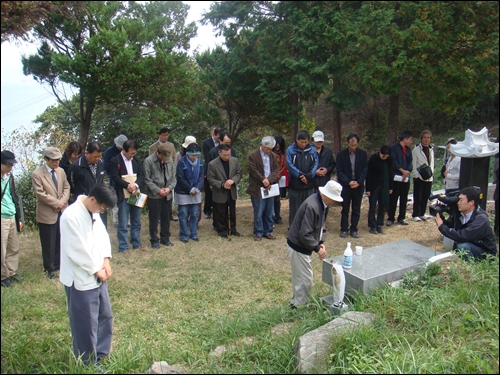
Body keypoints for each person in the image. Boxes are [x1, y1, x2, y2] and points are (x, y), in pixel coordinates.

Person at [59, 184, 117, 368]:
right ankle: (87, 362)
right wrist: (95, 269)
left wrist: (106, 260)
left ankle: (101, 353)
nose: (102, 211)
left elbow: (102, 236)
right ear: (93, 200)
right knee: (85, 322)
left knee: (104, 315)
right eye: (102, 208)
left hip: (98, 272)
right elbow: (76, 249)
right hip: (81, 276)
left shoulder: (94, 211)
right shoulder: (70, 216)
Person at [287, 180, 343, 308]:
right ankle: (299, 307)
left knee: (301, 277)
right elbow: (304, 234)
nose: (334, 202)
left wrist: (321, 242)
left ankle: (296, 303)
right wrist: (317, 248)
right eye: (333, 198)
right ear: (326, 195)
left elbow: (320, 225)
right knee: (305, 279)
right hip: (298, 246)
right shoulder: (313, 206)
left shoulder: (321, 203)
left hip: (301, 245)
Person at [32, 147, 70, 279]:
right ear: (46, 160)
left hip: (61, 211)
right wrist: (56, 203)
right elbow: (40, 193)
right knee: (48, 241)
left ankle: (59, 263)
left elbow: (66, 187)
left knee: (61, 238)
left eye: (58, 160)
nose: (57, 162)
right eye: (54, 160)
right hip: (47, 212)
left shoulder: (61, 171)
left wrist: (62, 202)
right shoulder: (37, 174)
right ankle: (49, 268)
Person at [435, 186, 497, 260]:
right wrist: (440, 217)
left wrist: (442, 227)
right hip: (471, 245)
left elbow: (463, 236)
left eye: (461, 200)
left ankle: (471, 268)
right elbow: (450, 226)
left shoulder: (481, 219)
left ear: (471, 203)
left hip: (486, 253)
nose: (458, 203)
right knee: (462, 246)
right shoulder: (461, 215)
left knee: (463, 247)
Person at [109, 140, 145, 253]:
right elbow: (115, 177)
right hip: (122, 194)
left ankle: (136, 243)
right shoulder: (115, 160)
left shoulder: (136, 160)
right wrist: (127, 185)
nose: (132, 156)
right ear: (123, 150)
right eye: (130, 153)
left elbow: (142, 175)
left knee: (136, 220)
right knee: (123, 222)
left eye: (134, 153)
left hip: (136, 193)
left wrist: (136, 185)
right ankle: (123, 246)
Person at [143, 143, 176, 248]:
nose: (165, 159)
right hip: (154, 195)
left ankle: (165, 238)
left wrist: (169, 188)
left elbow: (174, 178)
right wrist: (158, 190)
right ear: (157, 152)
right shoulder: (148, 161)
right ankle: (154, 239)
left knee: (166, 217)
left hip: (167, 194)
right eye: (163, 157)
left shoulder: (169, 160)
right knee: (154, 218)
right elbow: (147, 180)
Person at [207, 144, 242, 240]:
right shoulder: (212, 164)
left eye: (228, 154)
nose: (227, 157)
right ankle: (222, 230)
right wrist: (222, 184)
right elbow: (210, 178)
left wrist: (233, 180)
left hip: (231, 190)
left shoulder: (234, 161)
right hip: (219, 191)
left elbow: (239, 173)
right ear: (219, 153)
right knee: (220, 212)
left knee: (232, 211)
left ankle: (233, 229)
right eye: (225, 155)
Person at [247, 136, 279, 241]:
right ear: (262, 146)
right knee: (259, 210)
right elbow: (253, 170)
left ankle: (268, 231)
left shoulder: (273, 156)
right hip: (257, 187)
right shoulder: (253, 155)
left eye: (271, 149)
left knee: (269, 210)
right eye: (267, 149)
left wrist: (269, 180)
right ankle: (258, 232)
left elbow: (275, 170)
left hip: (270, 187)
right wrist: (263, 180)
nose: (269, 151)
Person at [336, 134, 368, 238]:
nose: (353, 147)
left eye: (355, 145)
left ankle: (354, 229)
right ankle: (344, 229)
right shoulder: (341, 155)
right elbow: (339, 171)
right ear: (348, 143)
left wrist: (358, 182)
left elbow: (365, 170)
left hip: (358, 186)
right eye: (351, 145)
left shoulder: (363, 154)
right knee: (345, 209)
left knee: (356, 209)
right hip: (346, 186)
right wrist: (348, 182)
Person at [68, 141, 107, 227]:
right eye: (94, 156)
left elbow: (101, 180)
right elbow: (71, 183)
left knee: (100, 228)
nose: (97, 159)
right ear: (87, 153)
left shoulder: (100, 163)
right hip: (84, 202)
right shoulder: (77, 166)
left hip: (99, 201)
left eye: (99, 156)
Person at [286, 130, 319, 226]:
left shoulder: (312, 150)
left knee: (309, 207)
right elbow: (289, 165)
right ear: (297, 140)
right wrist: (300, 175)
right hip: (295, 184)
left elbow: (315, 163)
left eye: (306, 142)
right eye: (301, 142)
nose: (304, 144)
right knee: (295, 208)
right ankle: (293, 228)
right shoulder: (290, 150)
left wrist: (309, 176)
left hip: (309, 184)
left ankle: (307, 227)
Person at [1, 151, 23, 288]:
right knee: (1, 249)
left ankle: (11, 271)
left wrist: (18, 217)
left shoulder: (9, 177)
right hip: (1, 216)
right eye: (8, 164)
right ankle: (3, 276)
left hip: (11, 215)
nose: (11, 167)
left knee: (13, 246)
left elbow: (12, 196)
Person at [175, 143, 204, 243]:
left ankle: (194, 233)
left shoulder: (199, 161)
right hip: (183, 191)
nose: (194, 157)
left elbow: (201, 176)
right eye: (192, 155)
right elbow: (180, 177)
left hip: (196, 191)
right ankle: (184, 234)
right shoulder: (182, 162)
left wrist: (197, 187)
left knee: (195, 213)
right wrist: (189, 188)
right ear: (187, 154)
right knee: (183, 213)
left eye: (196, 155)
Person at [148, 126, 178, 221]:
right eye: (164, 135)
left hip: (169, 172)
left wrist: (172, 169)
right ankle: (159, 216)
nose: (166, 137)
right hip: (157, 173)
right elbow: (151, 161)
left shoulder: (171, 145)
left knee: (169, 196)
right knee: (159, 196)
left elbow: (173, 158)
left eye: (167, 135)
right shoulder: (153, 147)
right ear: (159, 135)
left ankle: (169, 214)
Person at [387, 131, 414, 226]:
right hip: (396, 177)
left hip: (405, 177)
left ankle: (401, 217)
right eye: (410, 139)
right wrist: (402, 170)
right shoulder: (393, 148)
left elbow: (410, 162)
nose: (411, 141)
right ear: (405, 139)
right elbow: (393, 161)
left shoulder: (409, 150)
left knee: (404, 198)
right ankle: (390, 217)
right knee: (393, 198)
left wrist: (407, 172)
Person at [366, 146, 394, 234]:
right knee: (373, 206)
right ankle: (372, 225)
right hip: (374, 186)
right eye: (383, 155)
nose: (384, 157)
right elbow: (368, 174)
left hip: (385, 186)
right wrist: (368, 189)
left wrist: (391, 187)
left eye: (386, 156)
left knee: (382, 206)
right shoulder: (373, 159)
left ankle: (379, 224)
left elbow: (391, 174)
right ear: (380, 152)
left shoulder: (389, 160)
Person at [104, 134, 128, 226]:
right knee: (115, 201)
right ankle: (115, 220)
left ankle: (124, 219)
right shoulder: (109, 152)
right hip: (114, 179)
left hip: (125, 179)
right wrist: (114, 173)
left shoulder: (126, 151)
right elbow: (107, 166)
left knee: (125, 201)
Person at [412, 130, 435, 222]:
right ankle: (416, 214)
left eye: (428, 138)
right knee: (418, 196)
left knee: (426, 195)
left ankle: (422, 213)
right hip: (419, 176)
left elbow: (432, 163)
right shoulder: (416, 150)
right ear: (421, 139)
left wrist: (432, 174)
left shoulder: (431, 149)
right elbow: (414, 163)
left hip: (429, 176)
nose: (426, 139)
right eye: (425, 137)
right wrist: (416, 175)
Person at [202, 126, 222, 220]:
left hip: (221, 170)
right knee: (208, 192)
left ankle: (217, 210)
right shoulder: (206, 143)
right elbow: (207, 158)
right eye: (217, 135)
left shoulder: (223, 143)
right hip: (210, 168)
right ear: (213, 134)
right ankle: (207, 210)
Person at [272, 135, 288, 225]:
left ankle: (277, 216)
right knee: (270, 199)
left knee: (277, 199)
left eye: (279, 146)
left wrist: (279, 174)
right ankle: (270, 217)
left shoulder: (284, 153)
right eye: (276, 145)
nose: (277, 147)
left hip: (279, 178)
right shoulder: (270, 152)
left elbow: (284, 165)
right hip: (271, 178)